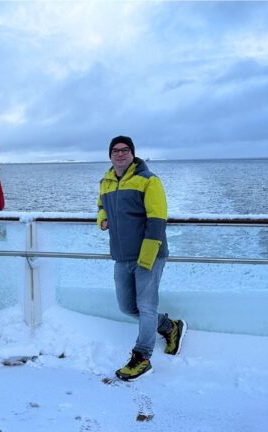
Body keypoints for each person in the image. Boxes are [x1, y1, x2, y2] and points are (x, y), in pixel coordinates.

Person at [97, 135, 187, 381]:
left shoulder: (149, 180)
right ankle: (171, 327)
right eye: (115, 150)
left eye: (125, 150)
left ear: (133, 154)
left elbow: (157, 220)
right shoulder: (105, 182)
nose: (120, 154)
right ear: (110, 155)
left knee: (147, 306)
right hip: (121, 255)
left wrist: (146, 258)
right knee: (127, 306)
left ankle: (142, 357)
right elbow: (100, 205)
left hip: (149, 255)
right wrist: (102, 218)